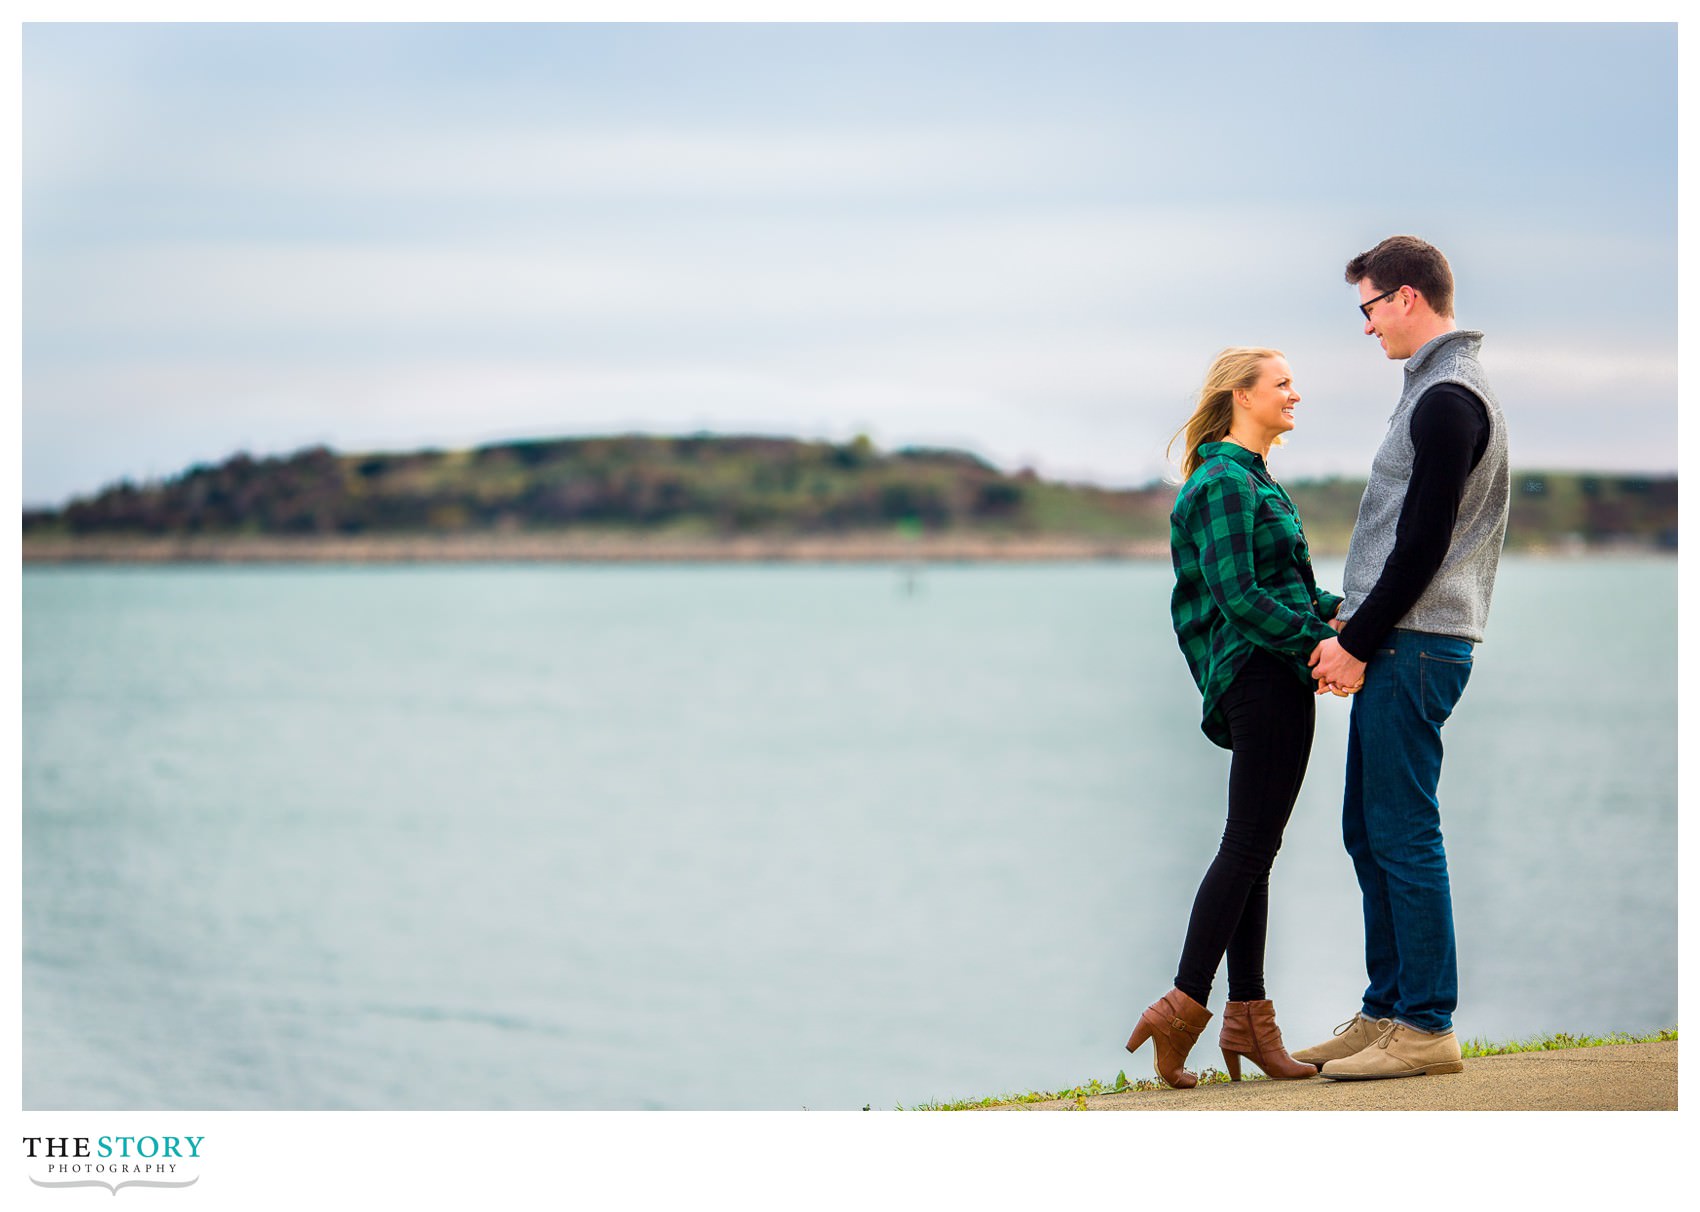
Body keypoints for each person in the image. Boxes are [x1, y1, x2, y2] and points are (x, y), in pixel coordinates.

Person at [1298, 235, 1510, 1080]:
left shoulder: (1448, 398)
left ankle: (1426, 1024)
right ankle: (1387, 1010)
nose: (1366, 325)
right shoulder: (1433, 391)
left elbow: (1422, 544)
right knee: (1368, 827)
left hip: (1417, 641)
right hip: (1409, 635)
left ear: (1409, 298)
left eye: (1369, 306)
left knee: (1403, 829)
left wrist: (1353, 640)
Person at [1126, 347, 1348, 1089]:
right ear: (1240, 396)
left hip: (1272, 670)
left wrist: (1348, 617)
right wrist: (1325, 645)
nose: (1295, 394)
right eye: (1282, 384)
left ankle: (1249, 1020)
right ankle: (1183, 1005)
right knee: (1248, 846)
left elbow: (1285, 587)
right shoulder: (1222, 482)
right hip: (1257, 673)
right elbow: (1239, 598)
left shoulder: (1252, 480)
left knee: (1256, 848)